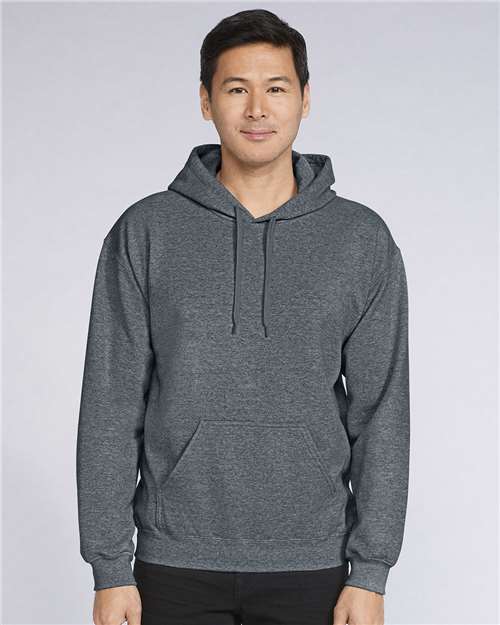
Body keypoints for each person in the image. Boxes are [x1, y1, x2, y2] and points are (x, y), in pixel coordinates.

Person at [76, 8, 410, 625]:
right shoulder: (146, 231)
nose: (257, 109)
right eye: (236, 89)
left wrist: (371, 571)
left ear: (305, 99)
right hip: (170, 563)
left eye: (276, 88)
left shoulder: (361, 240)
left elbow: (382, 413)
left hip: (313, 564)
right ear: (206, 101)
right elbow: (110, 404)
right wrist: (109, 566)